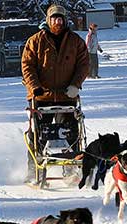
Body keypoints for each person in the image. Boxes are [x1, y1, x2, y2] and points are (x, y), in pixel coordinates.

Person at [21, 4, 89, 182]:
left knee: (71, 133)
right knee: (37, 134)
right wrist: (35, 86)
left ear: (65, 20)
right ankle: (34, 170)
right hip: (41, 96)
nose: (57, 22)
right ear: (48, 20)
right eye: (54, 18)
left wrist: (76, 85)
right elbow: (27, 66)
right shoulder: (35, 40)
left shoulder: (75, 41)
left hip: (67, 95)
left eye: (60, 19)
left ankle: (72, 169)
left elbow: (83, 65)